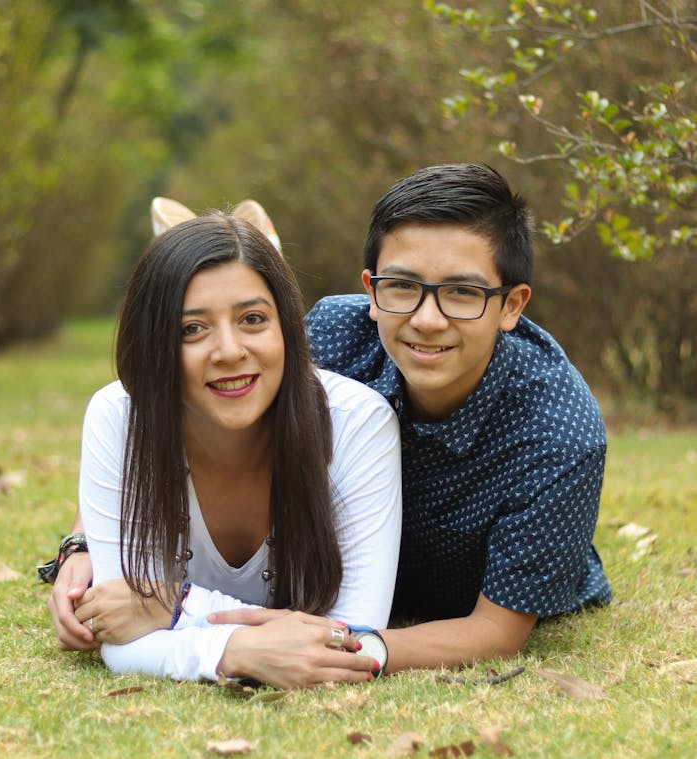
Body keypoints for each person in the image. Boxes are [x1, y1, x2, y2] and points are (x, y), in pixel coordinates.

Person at [47, 163, 611, 677]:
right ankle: (223, 247)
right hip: (328, 566)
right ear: (370, 289)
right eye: (403, 286)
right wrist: (87, 544)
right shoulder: (336, 334)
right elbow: (176, 402)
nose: (427, 319)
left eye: (462, 293)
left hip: (426, 600)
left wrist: (182, 607)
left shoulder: (560, 435)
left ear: (512, 304)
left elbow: (495, 631)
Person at [44, 211, 402, 688]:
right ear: (153, 345)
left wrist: (176, 606)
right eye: (192, 329)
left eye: (252, 319)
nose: (229, 351)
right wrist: (232, 652)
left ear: (288, 329)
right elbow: (122, 631)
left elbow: (353, 635)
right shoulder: (119, 417)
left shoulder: (359, 422)